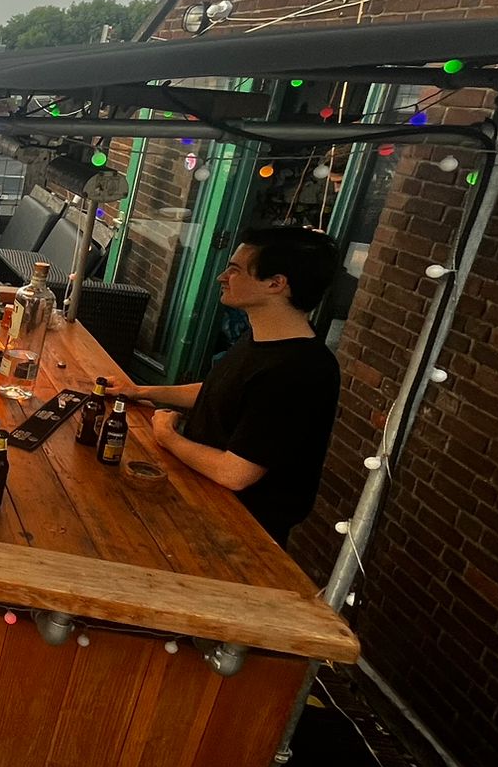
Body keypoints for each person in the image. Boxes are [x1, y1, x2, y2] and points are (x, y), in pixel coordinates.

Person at [109, 226, 343, 545]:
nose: (222, 276)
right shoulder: (263, 338)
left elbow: (234, 474)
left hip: (237, 533)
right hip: (197, 495)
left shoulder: (300, 370)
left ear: (276, 284)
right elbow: (222, 389)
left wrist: (167, 436)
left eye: (234, 269)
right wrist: (140, 391)